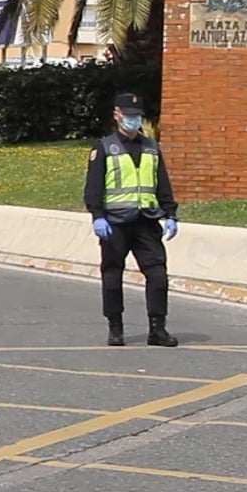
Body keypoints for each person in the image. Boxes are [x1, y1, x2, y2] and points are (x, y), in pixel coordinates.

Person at [84, 91, 180, 347]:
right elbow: (94, 187)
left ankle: (157, 329)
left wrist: (170, 213)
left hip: (146, 221)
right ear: (117, 115)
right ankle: (115, 328)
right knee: (113, 274)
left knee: (158, 275)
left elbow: (162, 184)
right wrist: (97, 216)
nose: (134, 120)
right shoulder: (104, 147)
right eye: (129, 116)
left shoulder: (151, 147)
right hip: (114, 223)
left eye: (138, 116)